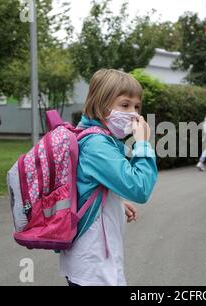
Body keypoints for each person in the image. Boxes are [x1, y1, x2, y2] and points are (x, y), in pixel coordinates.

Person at [60, 69, 158, 286]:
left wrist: (114, 201)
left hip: (94, 262)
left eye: (137, 107)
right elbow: (140, 188)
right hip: (93, 266)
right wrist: (142, 144)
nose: (133, 113)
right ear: (101, 105)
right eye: (125, 105)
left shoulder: (98, 138)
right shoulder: (97, 144)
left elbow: (85, 185)